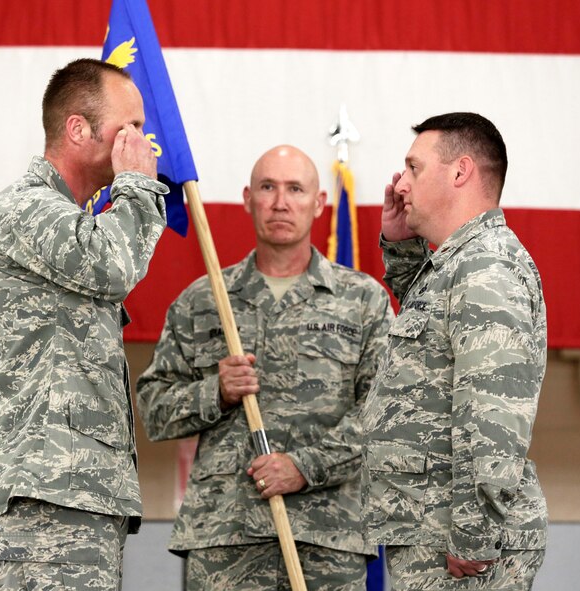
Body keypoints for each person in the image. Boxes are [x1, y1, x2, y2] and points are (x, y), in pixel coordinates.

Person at [137, 145, 394, 590]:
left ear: (318, 204)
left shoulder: (362, 300)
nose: (280, 201)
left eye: (295, 189)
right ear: (247, 198)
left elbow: (385, 417)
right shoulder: (203, 301)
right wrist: (214, 392)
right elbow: (153, 409)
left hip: (327, 537)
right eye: (268, 187)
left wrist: (304, 466)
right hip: (225, 540)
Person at [0, 58, 168, 590]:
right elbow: (114, 264)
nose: (142, 144)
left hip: (76, 493)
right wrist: (137, 185)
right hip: (47, 492)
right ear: (78, 129)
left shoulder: (74, 220)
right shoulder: (26, 207)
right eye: (130, 128)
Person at [360, 112, 548, 590]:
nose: (400, 183)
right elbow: (431, 344)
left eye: (413, 168)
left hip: (459, 547)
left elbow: (493, 414)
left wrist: (473, 534)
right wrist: (402, 248)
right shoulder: (458, 262)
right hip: (433, 532)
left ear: (460, 171)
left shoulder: (485, 266)